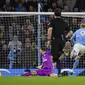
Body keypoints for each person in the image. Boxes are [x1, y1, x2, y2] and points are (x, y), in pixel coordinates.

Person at [47, 8, 73, 76]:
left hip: (55, 40)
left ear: (54, 14)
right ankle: (59, 72)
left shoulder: (52, 21)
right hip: (62, 41)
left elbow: (50, 30)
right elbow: (71, 32)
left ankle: (50, 72)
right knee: (58, 57)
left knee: (53, 58)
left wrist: (49, 40)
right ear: (61, 14)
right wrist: (66, 37)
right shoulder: (63, 22)